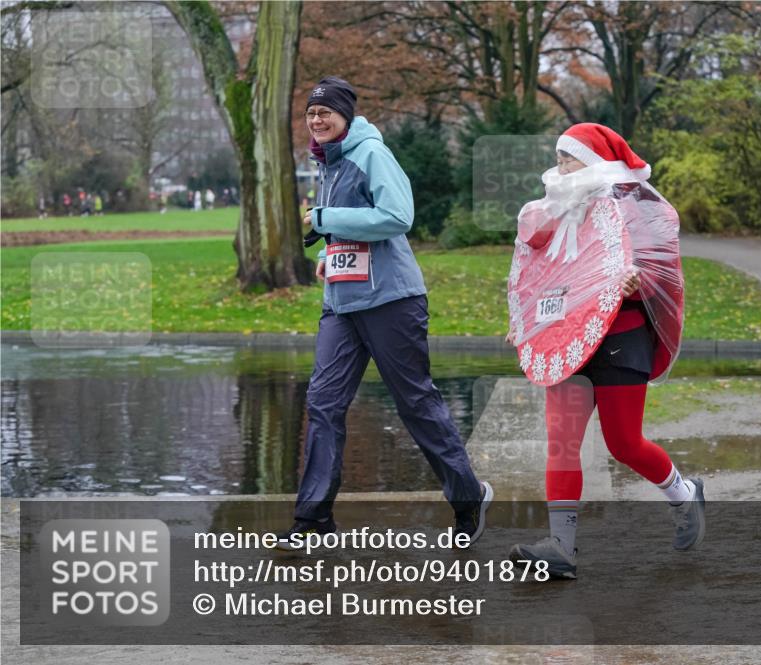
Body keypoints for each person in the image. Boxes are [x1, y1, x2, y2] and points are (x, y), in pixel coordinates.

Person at [276, 76, 492, 550]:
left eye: (325, 111)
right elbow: (352, 232)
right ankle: (313, 521)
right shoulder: (327, 161)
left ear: (345, 115)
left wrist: (325, 219)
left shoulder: (370, 153)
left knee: (415, 402)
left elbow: (397, 216)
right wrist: (326, 257)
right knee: (323, 404)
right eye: (311, 113)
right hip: (342, 304)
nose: (317, 119)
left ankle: (468, 496)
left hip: (391, 301)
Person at [505, 123, 702, 579]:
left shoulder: (635, 206)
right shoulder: (552, 212)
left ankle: (684, 494)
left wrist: (638, 280)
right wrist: (527, 324)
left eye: (569, 157)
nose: (561, 167)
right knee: (562, 443)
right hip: (568, 339)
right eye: (558, 157)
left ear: (593, 160)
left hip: (621, 335)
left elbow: (663, 269)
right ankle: (561, 548)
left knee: (624, 443)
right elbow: (538, 275)